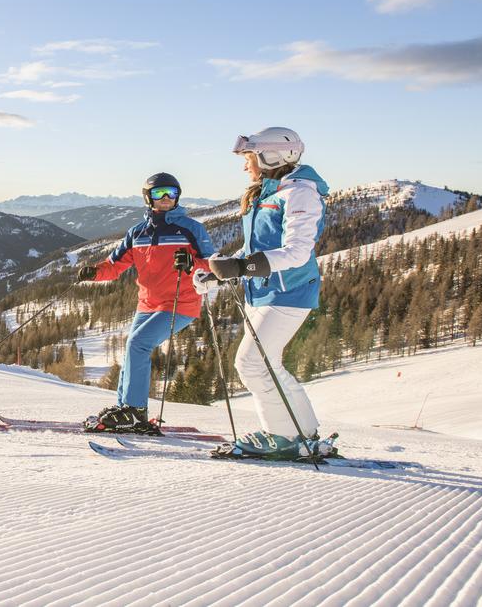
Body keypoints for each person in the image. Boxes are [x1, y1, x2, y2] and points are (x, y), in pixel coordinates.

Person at [197, 126, 333, 460]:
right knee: (268, 364)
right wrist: (220, 271)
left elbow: (298, 252)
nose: (246, 166)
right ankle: (305, 433)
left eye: (249, 158)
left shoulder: (300, 193)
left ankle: (282, 437)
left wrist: (244, 268)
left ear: (271, 156)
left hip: (290, 291)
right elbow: (253, 248)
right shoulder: (268, 192)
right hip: (261, 293)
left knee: (251, 364)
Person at [75, 172, 218, 433]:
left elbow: (213, 264)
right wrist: (94, 272)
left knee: (138, 344)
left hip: (180, 302)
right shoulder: (137, 233)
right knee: (133, 350)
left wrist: (192, 264)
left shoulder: (190, 229)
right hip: (147, 303)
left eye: (171, 194)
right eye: (158, 193)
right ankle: (125, 408)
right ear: (147, 198)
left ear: (178, 197)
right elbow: (115, 266)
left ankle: (135, 412)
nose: (165, 199)